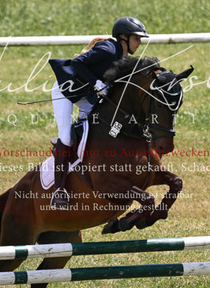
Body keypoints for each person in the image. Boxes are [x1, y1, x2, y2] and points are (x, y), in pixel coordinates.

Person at [48, 16, 149, 208]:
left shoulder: (123, 58)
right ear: (123, 37)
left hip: (87, 94)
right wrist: (96, 83)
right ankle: (58, 191)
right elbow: (77, 63)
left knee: (96, 126)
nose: (139, 43)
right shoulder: (108, 49)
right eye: (136, 38)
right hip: (65, 89)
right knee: (66, 137)